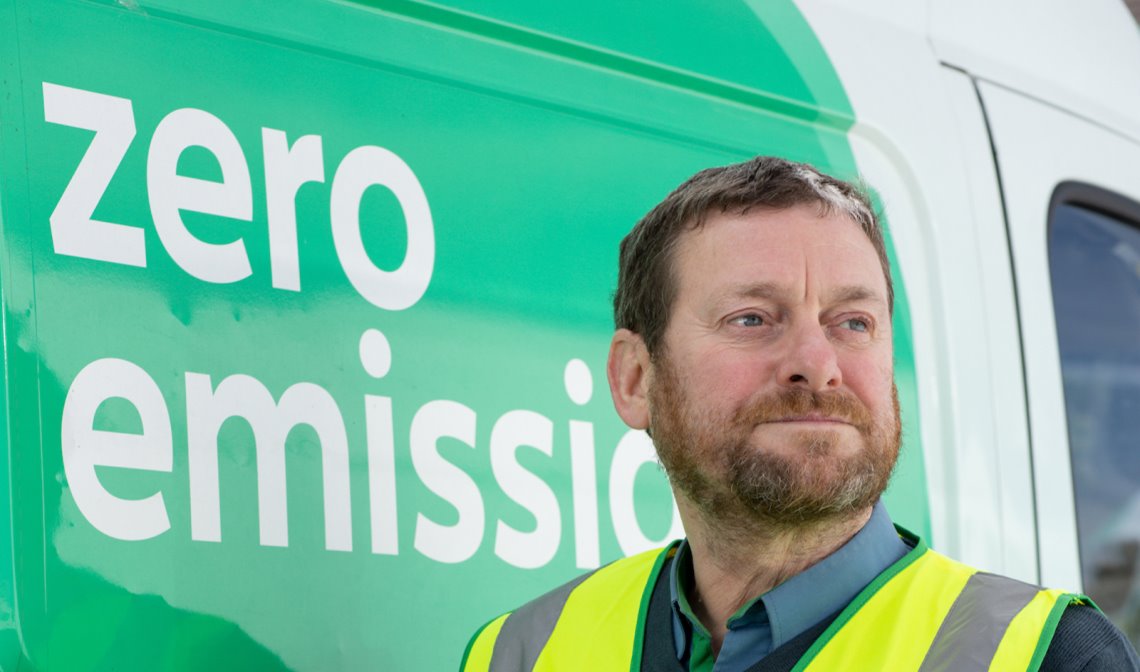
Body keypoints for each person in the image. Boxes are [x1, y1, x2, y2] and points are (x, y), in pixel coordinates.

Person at [460, 156, 1140, 671]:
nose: (818, 363)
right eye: (752, 318)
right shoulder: (517, 651)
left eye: (853, 322)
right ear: (635, 378)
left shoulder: (1048, 658)